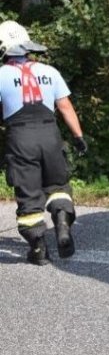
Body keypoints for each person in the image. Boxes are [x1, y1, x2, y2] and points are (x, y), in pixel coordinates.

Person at [0, 20, 87, 266]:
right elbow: (65, 106)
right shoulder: (50, 72)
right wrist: (79, 137)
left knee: (28, 193)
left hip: (21, 138)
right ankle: (61, 221)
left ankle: (38, 248)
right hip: (51, 135)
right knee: (58, 185)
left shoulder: (1, 75)